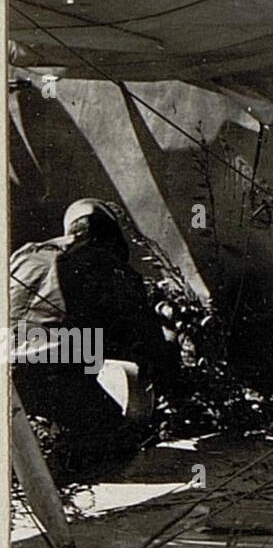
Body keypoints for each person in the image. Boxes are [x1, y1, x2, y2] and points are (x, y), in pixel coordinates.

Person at [9, 199, 176, 477]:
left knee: (84, 347)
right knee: (122, 442)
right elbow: (149, 344)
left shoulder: (24, 255)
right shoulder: (110, 265)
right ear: (109, 237)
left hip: (6, 366)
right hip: (48, 375)